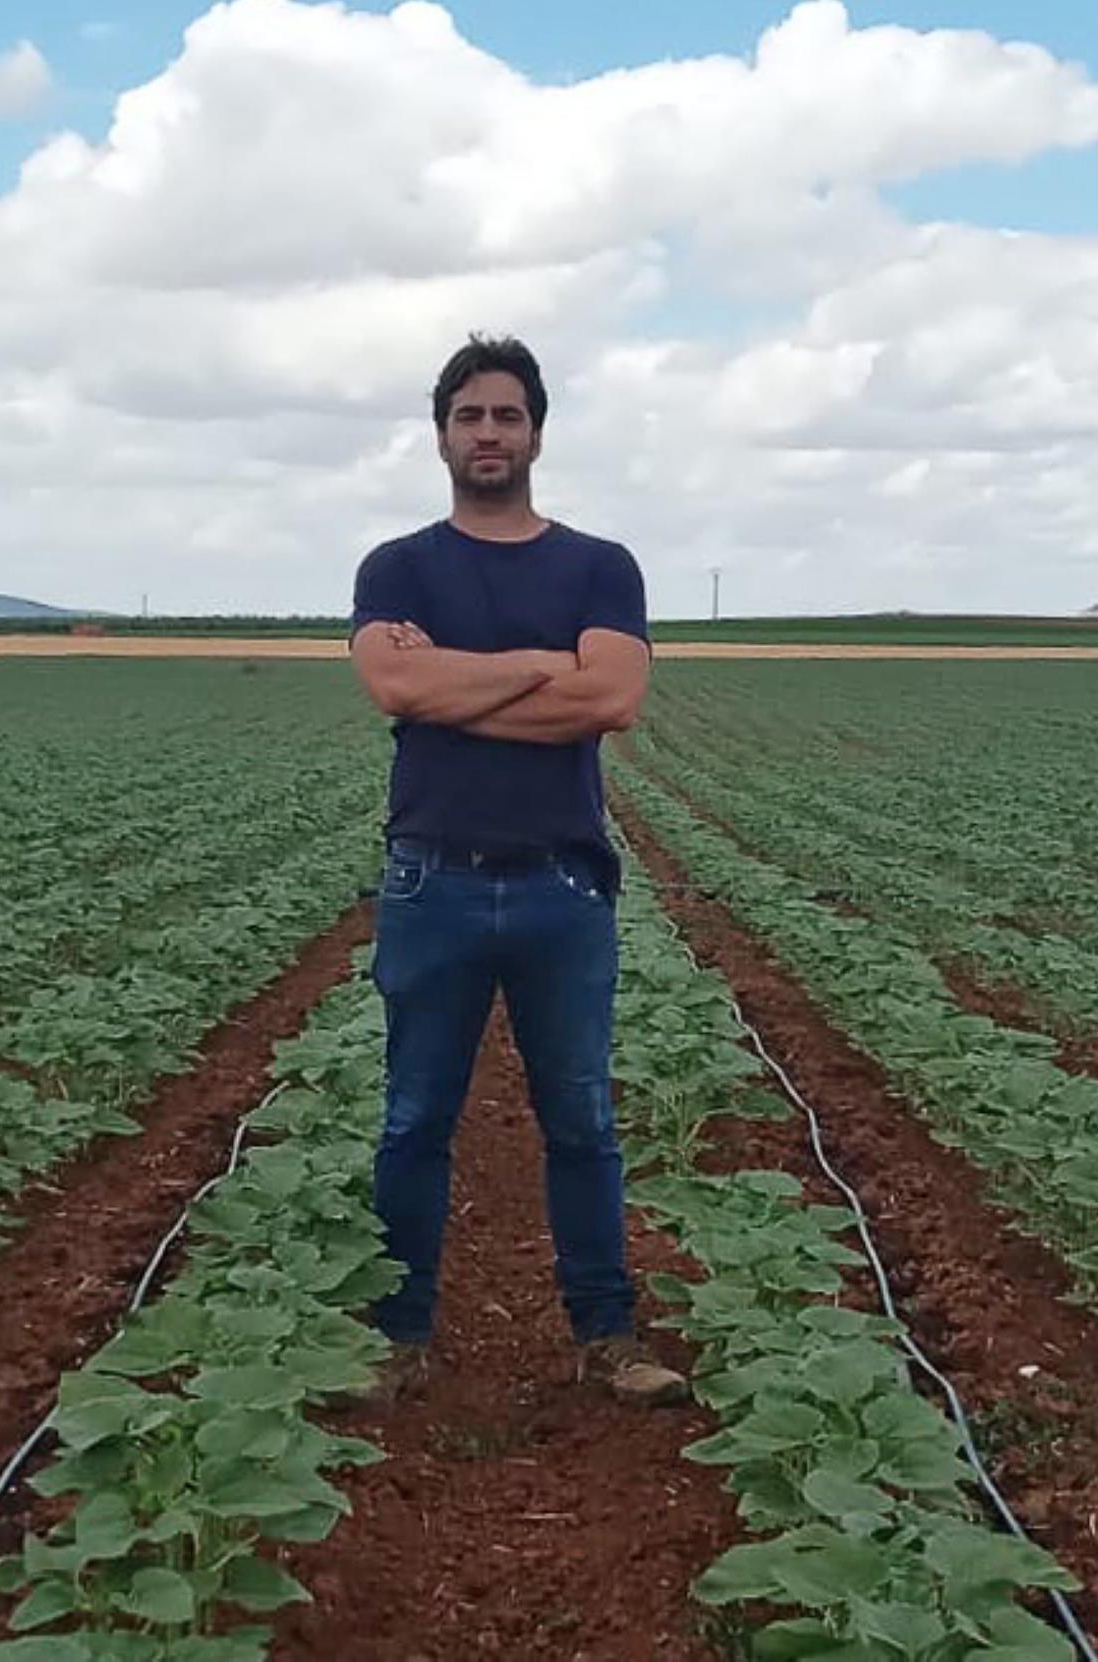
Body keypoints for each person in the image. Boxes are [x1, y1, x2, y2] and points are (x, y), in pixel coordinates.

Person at [348, 334, 686, 1408]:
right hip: (431, 880)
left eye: (506, 415)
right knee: (415, 1121)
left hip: (562, 884)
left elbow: (610, 703)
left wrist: (458, 678)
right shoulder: (395, 567)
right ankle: (397, 1337)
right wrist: (544, 663)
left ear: (536, 429)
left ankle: (607, 1335)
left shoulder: (599, 565)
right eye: (468, 416)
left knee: (581, 1119)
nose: (487, 434)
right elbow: (398, 694)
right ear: (440, 432)